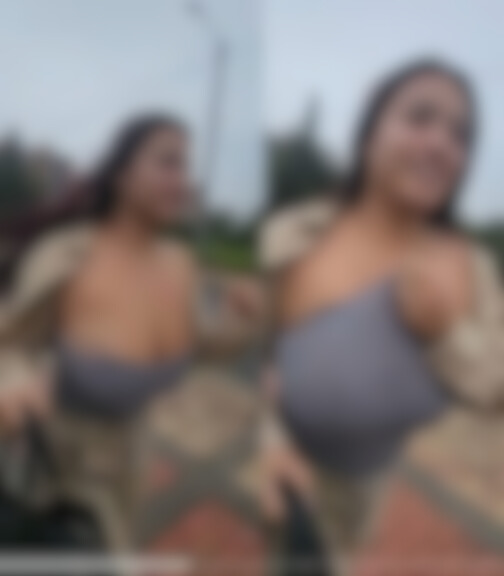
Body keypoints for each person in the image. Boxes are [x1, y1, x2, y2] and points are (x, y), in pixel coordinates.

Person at [259, 60, 504, 574]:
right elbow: (263, 356)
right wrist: (273, 444)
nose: (441, 143)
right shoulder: (292, 235)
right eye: (420, 117)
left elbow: (496, 390)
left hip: (371, 485)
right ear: (369, 133)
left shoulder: (474, 269)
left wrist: (443, 335)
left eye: (460, 134)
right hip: (286, 483)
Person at [0, 114, 264, 555]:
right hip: (52, 472)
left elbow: (198, 347)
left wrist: (246, 321)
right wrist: (13, 382)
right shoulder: (68, 255)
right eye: (168, 162)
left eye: (186, 167)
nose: (183, 181)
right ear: (121, 176)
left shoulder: (180, 262)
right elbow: (11, 344)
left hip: (133, 467)